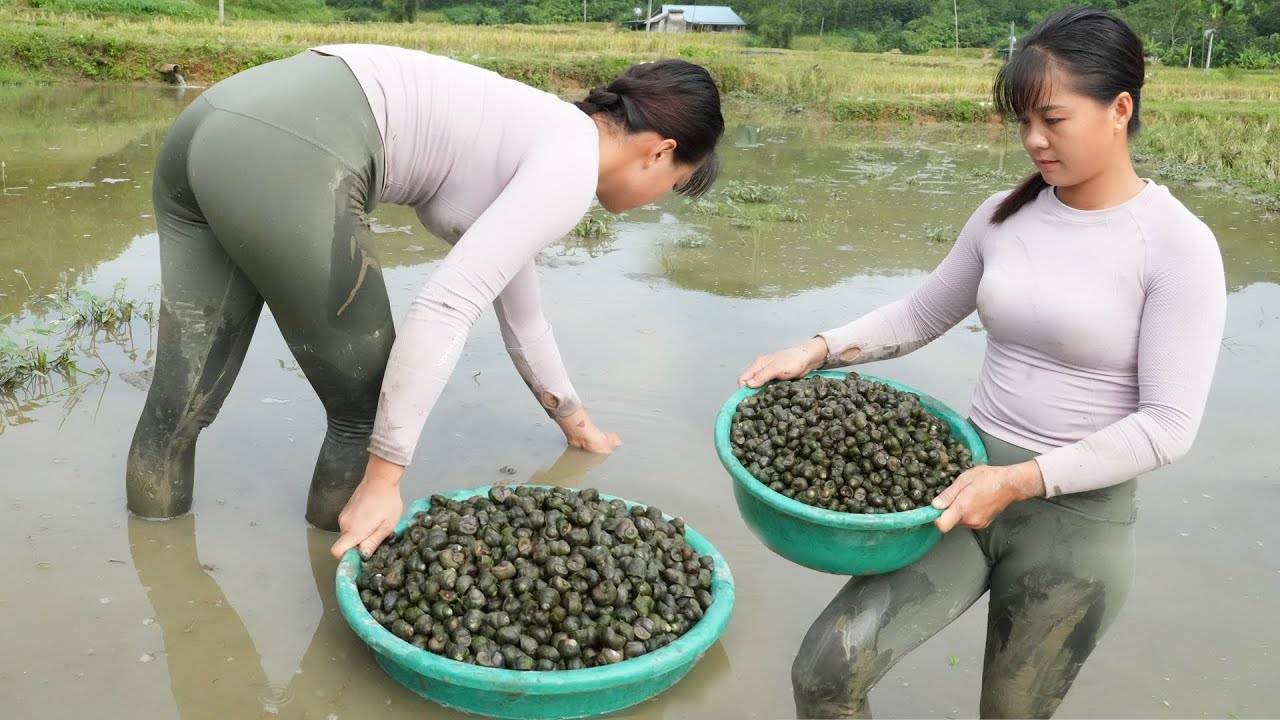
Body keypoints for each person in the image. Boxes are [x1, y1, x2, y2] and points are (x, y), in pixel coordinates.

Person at [736, 8, 1225, 717]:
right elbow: (919, 315)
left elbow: (1168, 427)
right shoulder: (1003, 215)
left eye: (1053, 119)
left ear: (1120, 109)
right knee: (825, 673)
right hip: (959, 491)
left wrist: (1023, 480)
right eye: (1023, 120)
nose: (1033, 140)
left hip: (1076, 524)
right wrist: (814, 349)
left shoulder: (1177, 244)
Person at [125, 45, 724, 562]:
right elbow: (444, 307)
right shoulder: (569, 165)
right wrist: (387, 475)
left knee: (181, 398)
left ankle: (157, 562)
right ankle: (341, 573)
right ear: (659, 151)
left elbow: (524, 317)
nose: (655, 198)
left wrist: (577, 424)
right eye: (672, 184)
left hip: (215, 120)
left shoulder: (544, 131)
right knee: (368, 406)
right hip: (292, 147)